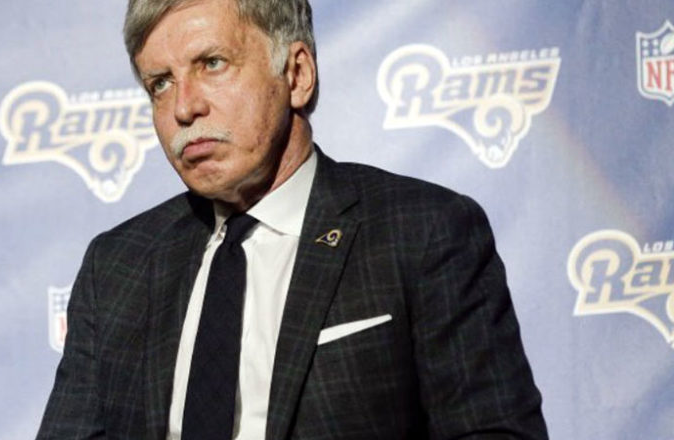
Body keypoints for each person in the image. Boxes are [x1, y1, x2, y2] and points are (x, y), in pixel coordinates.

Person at [37, 0, 549, 438]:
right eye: (161, 83)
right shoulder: (117, 267)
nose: (184, 108)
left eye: (212, 63)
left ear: (297, 74)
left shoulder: (421, 231)